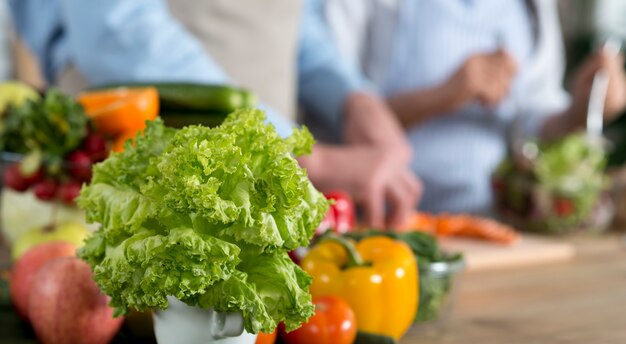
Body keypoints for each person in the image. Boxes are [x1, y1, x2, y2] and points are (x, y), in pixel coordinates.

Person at [6, 0, 421, 229]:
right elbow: (119, 33)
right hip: (138, 182)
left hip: (272, 192)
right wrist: (306, 156)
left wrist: (352, 97)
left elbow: (296, 21)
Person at [316, 0, 626, 215]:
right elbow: (332, 112)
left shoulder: (533, 7)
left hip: (491, 221)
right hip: (379, 221)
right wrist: (444, 95)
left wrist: (581, 109)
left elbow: (530, 121)